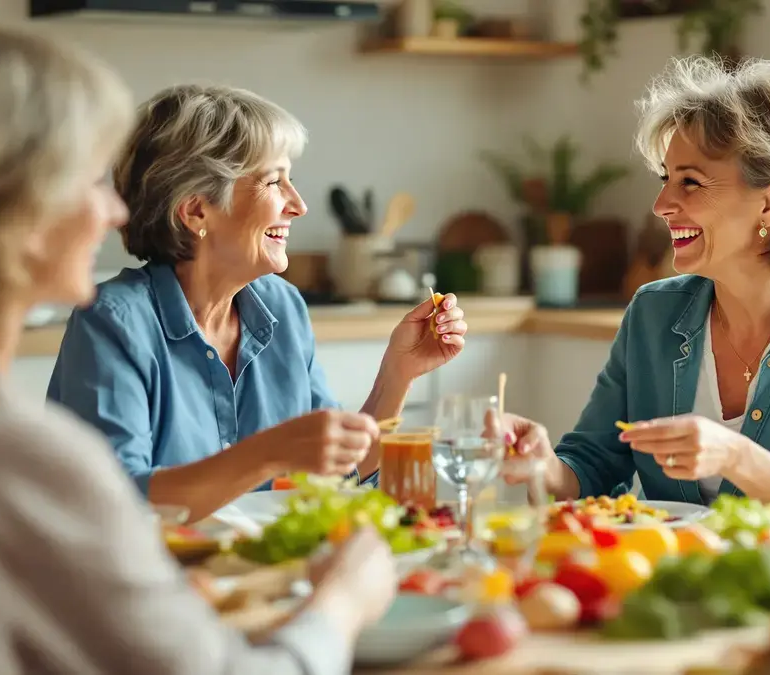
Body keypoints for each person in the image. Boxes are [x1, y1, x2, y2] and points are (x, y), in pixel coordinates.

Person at [0, 21, 394, 674]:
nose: (116, 213)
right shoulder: (29, 451)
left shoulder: (280, 309)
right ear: (13, 216)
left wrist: (397, 374)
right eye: (90, 181)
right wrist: (342, 604)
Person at [499, 56, 770, 524]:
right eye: (666, 180)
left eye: (690, 182)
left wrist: (735, 456)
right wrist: (544, 467)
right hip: (678, 584)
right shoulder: (654, 311)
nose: (661, 206)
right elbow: (592, 468)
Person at [47, 83, 468, 521]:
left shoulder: (281, 307)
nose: (299, 205)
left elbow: (333, 479)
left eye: (292, 180)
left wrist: (397, 374)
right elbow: (116, 503)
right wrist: (266, 455)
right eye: (273, 181)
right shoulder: (115, 322)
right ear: (195, 212)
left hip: (257, 576)